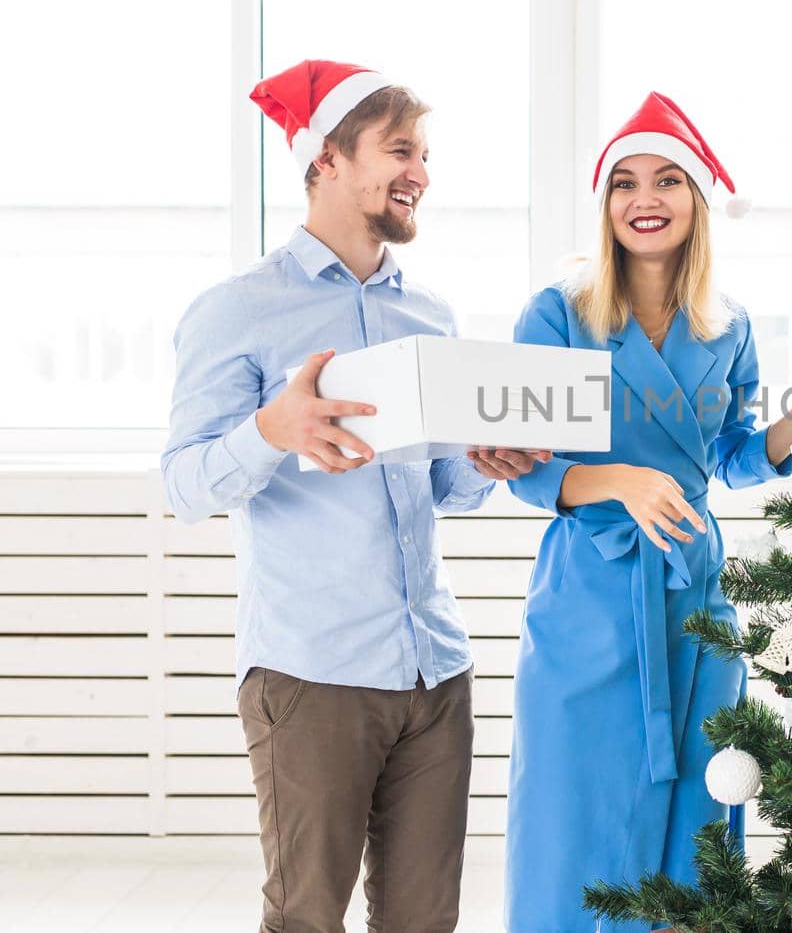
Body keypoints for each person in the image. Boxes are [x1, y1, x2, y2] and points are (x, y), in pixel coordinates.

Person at [161, 59, 547, 933]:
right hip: (311, 673)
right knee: (307, 917)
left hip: (432, 668)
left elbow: (440, 484)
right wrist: (272, 429)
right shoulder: (239, 311)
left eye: (425, 155)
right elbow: (184, 483)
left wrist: (488, 462)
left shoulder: (432, 318)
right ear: (327, 159)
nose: (420, 173)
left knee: (423, 921)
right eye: (400, 150)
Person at [501, 92, 792, 932]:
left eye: (668, 180)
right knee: (578, 801)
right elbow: (525, 472)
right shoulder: (557, 314)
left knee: (702, 793)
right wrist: (617, 483)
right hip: (591, 595)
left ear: (697, 201)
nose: (646, 199)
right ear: (605, 204)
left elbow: (733, 454)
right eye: (626, 183)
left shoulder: (731, 326)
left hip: (695, 597)